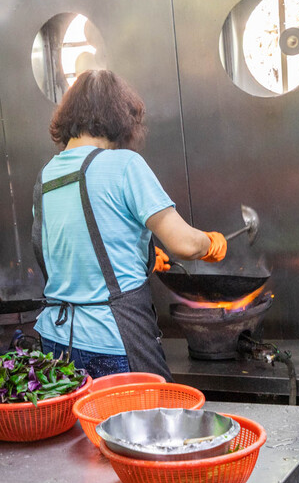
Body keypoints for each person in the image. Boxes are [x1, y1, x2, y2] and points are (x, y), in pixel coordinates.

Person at [31, 70, 227, 381]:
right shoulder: (124, 164)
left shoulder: (47, 175)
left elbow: (61, 252)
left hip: (55, 345)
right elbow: (184, 244)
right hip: (112, 342)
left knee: (82, 431)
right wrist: (209, 243)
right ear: (119, 118)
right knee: (147, 427)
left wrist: (137, 259)